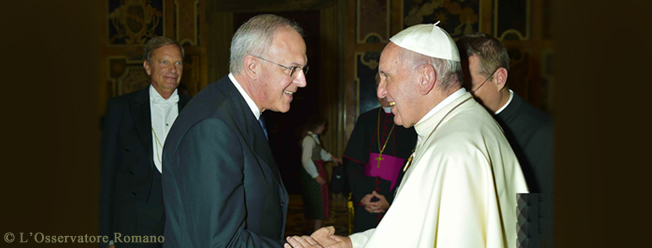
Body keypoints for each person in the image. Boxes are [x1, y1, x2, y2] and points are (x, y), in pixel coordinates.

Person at [286, 22, 528, 248]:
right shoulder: (456, 126)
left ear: (425, 78)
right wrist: (350, 244)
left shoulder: (455, 149)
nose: (381, 90)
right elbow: (414, 229)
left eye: (387, 77)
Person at [161, 14, 308, 247]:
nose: (302, 81)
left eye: (302, 69)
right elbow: (222, 243)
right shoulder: (213, 128)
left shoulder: (237, 110)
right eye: (292, 69)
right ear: (252, 66)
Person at [456, 32, 554, 248]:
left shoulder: (544, 135)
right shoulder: (461, 122)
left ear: (499, 78)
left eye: (470, 89)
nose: (460, 100)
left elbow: (539, 225)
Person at [99, 36, 189, 248]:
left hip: (181, 225)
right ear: (148, 67)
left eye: (178, 63)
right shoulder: (121, 109)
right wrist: (106, 238)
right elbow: (106, 177)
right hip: (134, 227)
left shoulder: (195, 110)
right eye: (164, 62)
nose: (173, 70)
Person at [344, 73, 417, 233]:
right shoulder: (365, 120)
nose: (382, 91)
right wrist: (361, 196)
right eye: (378, 85)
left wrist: (391, 199)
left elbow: (414, 168)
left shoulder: (411, 121)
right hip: (365, 201)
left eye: (388, 85)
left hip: (397, 202)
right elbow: (353, 164)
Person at [300, 115, 343, 234]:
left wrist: (332, 157)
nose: (324, 128)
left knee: (315, 203)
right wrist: (316, 176)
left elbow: (321, 153)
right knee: (317, 203)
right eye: (323, 126)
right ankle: (315, 234)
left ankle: (309, 230)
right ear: (317, 126)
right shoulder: (308, 140)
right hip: (312, 173)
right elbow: (306, 160)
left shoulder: (313, 138)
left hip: (316, 170)